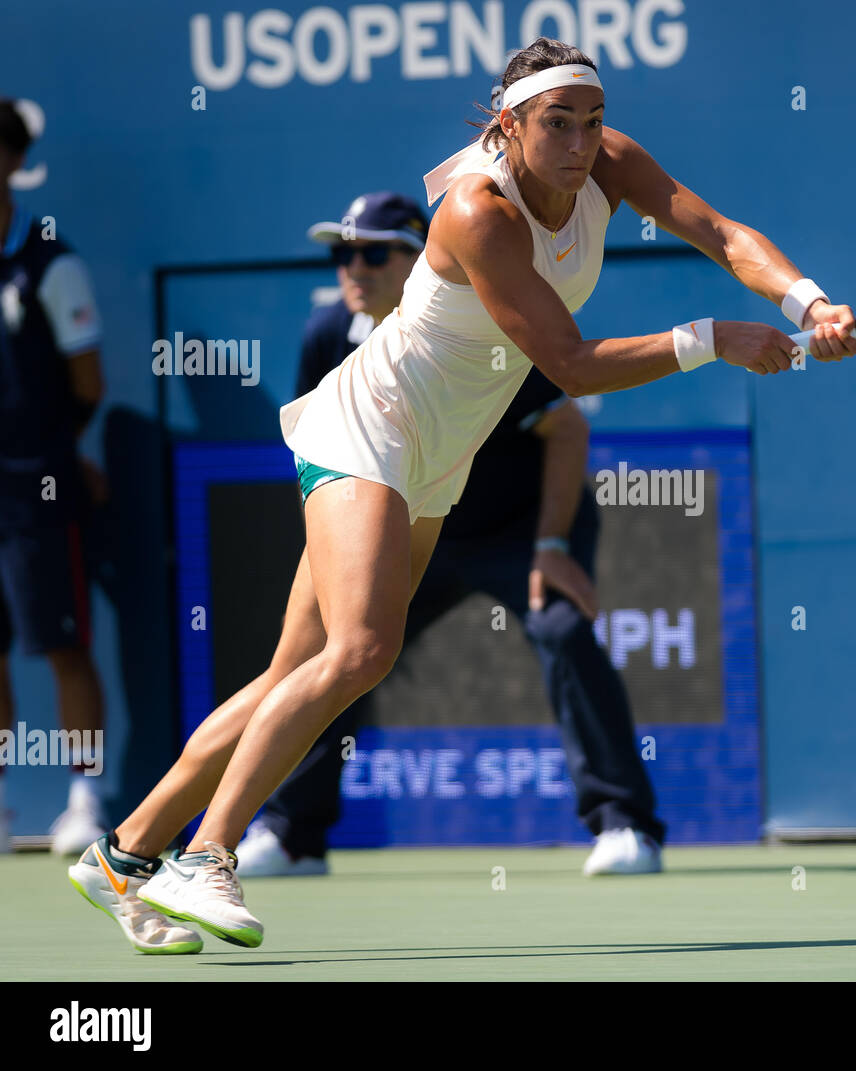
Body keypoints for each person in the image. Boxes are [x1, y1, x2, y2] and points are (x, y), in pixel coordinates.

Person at [67, 36, 856, 954]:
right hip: (368, 425)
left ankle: (123, 855)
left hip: (444, 450)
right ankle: (206, 854)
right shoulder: (478, 211)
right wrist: (711, 337)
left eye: (591, 121)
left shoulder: (611, 161)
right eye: (555, 123)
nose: (579, 141)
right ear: (507, 124)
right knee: (363, 649)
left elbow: (720, 233)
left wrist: (806, 302)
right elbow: (566, 363)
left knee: (294, 674)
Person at [236, 192, 665, 879]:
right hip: (409, 524)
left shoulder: (481, 324)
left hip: (519, 528)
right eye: (343, 253)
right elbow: (319, 450)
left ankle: (624, 824)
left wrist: (552, 546)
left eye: (374, 252)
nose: (354, 267)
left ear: (421, 259)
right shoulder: (326, 335)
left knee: (561, 629)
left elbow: (566, 427)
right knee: (334, 654)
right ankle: (291, 834)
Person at [0, 98, 110, 856]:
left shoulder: (49, 259)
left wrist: (53, 455)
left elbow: (87, 383)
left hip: (39, 486)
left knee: (64, 645)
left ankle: (84, 798)